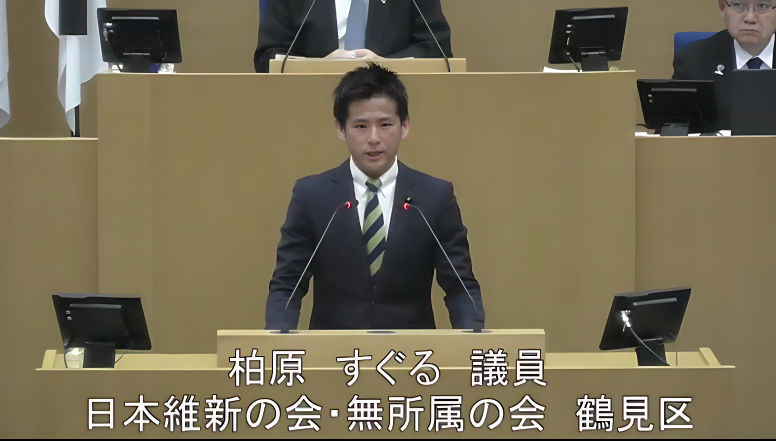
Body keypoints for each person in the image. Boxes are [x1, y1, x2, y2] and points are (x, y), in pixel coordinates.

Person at [265, 63, 484, 330]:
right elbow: (288, 283)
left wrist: (472, 338)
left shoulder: (435, 196)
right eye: (360, 126)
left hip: (410, 352)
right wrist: (276, 339)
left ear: (404, 126)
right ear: (341, 129)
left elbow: (460, 286)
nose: (374, 138)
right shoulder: (311, 195)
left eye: (385, 124)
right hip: (334, 351)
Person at [254, 0, 453, 73]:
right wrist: (320, 66)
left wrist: (384, 65)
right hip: (309, 104)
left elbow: (437, 49)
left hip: (395, 105)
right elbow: (268, 57)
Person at [673, 0, 776, 128]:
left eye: (762, 6)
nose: (750, 18)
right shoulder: (692, 61)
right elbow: (675, 129)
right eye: (739, 5)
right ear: (723, 8)